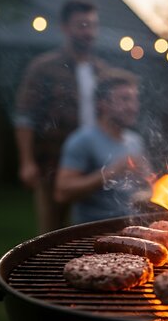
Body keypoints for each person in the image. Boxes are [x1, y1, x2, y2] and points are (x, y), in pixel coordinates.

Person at [14, 0, 110, 232]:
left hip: (95, 164)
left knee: (92, 229)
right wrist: (27, 162)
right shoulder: (43, 67)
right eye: (82, 25)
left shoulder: (102, 70)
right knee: (53, 232)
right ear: (65, 28)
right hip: (53, 164)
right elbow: (24, 116)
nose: (89, 32)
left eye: (93, 25)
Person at [54, 69, 148, 225]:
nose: (133, 107)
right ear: (102, 104)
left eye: (134, 100)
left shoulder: (135, 140)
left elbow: (144, 185)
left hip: (132, 228)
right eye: (125, 99)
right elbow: (62, 192)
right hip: (94, 230)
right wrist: (111, 171)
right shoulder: (82, 140)